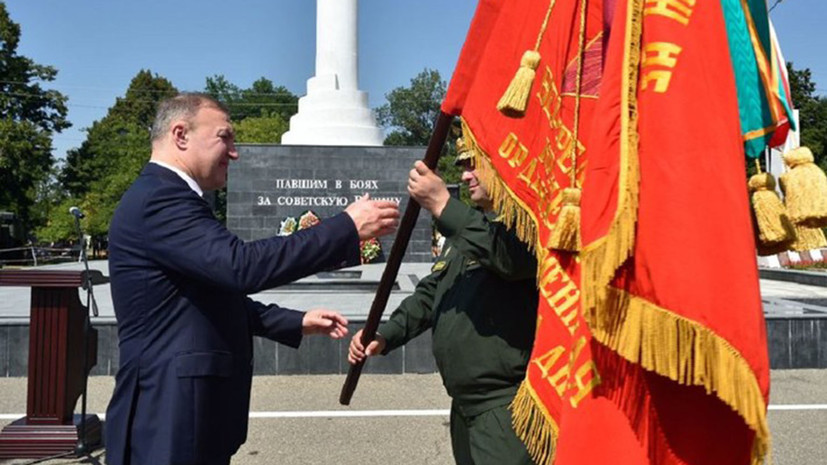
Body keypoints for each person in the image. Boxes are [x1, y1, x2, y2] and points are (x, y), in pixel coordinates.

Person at [105, 93, 399, 465]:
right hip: (167, 414)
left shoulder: (170, 197)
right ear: (180, 135)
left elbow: (204, 298)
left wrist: (295, 322)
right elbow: (239, 266)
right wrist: (345, 227)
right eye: (224, 137)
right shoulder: (161, 199)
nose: (234, 151)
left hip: (183, 412)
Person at [348, 139, 539, 465]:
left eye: (473, 164)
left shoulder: (527, 226)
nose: (465, 175)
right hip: (464, 407)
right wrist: (385, 336)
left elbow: (508, 260)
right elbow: (430, 294)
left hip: (505, 406)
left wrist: (442, 204)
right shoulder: (469, 230)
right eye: (463, 166)